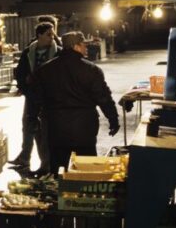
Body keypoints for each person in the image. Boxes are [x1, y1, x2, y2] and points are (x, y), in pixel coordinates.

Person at [25, 31, 120, 175]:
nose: (86, 48)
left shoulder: (45, 70)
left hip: (56, 127)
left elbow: (35, 98)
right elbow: (103, 97)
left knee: (59, 169)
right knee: (86, 169)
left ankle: (60, 188)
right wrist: (113, 118)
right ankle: (84, 189)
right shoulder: (91, 70)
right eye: (83, 45)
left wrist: (32, 119)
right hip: (84, 128)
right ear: (76, 46)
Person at [10, 22, 57, 170]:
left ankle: (46, 164)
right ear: (39, 35)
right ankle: (25, 158)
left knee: (45, 132)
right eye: (49, 34)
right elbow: (20, 73)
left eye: (52, 34)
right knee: (28, 126)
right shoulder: (28, 52)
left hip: (49, 99)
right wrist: (24, 87)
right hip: (32, 96)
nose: (52, 37)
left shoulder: (57, 52)